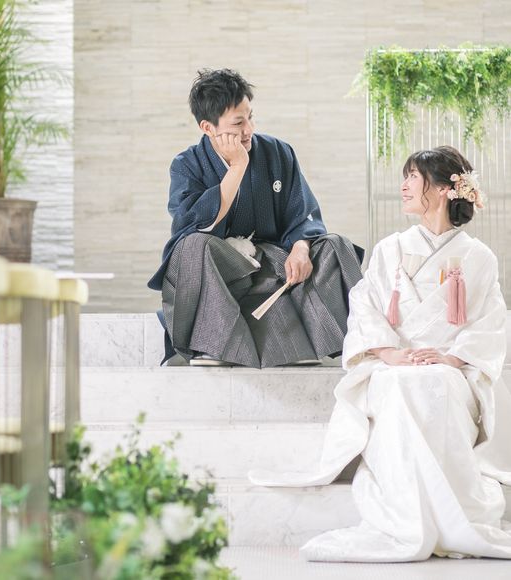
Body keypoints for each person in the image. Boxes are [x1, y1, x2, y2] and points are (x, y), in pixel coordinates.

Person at [249, 145, 511, 560]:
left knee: (435, 383)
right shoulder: (391, 248)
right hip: (393, 361)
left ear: (442, 189)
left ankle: (443, 512)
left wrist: (451, 358)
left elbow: (490, 321)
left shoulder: (478, 257)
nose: (403, 186)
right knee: (398, 384)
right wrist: (388, 353)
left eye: (413, 177)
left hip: (450, 368)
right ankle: (406, 511)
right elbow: (366, 305)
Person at [148, 68, 364, 368]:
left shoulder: (278, 152)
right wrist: (237, 168)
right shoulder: (186, 165)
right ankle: (213, 345)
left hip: (275, 266)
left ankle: (345, 342)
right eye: (238, 123)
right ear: (208, 127)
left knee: (334, 246)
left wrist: (301, 248)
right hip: (221, 271)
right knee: (193, 247)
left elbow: (302, 213)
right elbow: (193, 226)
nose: (248, 129)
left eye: (250, 118)